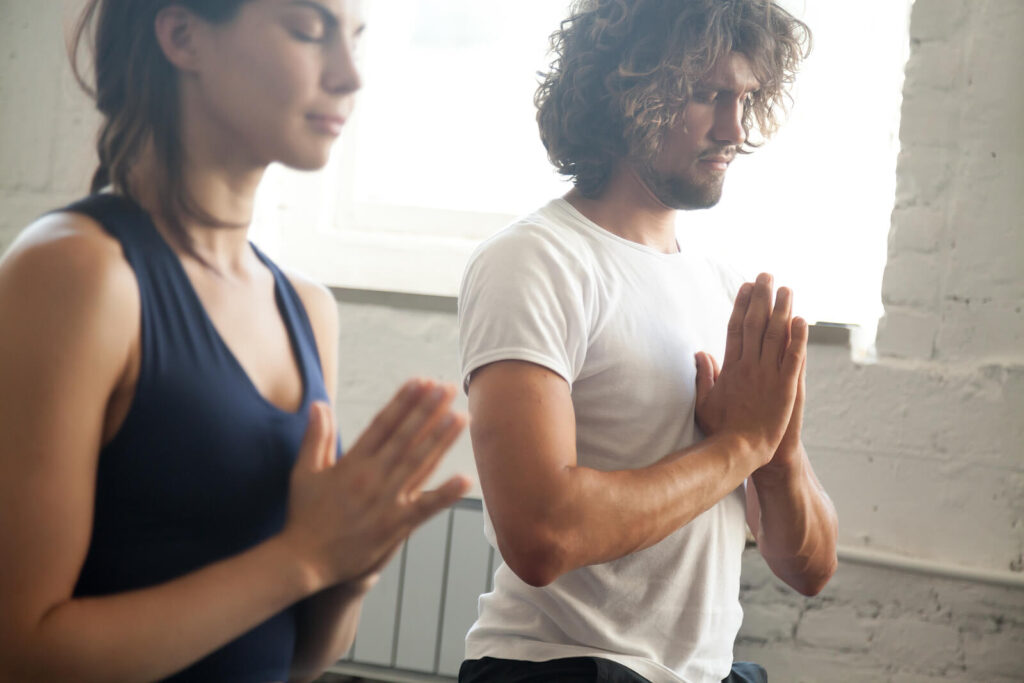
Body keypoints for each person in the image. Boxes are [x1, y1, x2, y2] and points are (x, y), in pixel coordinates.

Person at [0, 1, 470, 681]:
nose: (349, 75)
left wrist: (350, 568)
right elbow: (21, 652)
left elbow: (302, 656)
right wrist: (301, 556)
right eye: (310, 31)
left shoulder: (308, 308)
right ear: (183, 35)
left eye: (356, 39)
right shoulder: (76, 273)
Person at [457, 1, 838, 681]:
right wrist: (739, 446)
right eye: (704, 95)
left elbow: (809, 570)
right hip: (562, 668)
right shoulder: (534, 260)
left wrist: (778, 456)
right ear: (625, 93)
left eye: (746, 98)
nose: (735, 128)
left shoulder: (726, 289)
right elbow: (541, 535)